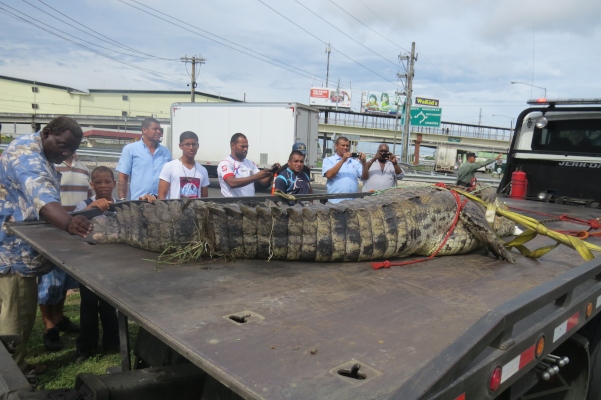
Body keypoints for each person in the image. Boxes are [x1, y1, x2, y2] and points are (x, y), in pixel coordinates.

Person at [0, 116, 92, 380]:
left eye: (71, 150)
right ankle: (13, 376)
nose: (66, 154)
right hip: (12, 252)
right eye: (62, 146)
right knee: (16, 315)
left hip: (12, 247)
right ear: (48, 133)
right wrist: (69, 222)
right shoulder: (28, 158)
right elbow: (42, 196)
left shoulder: (33, 148)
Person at [38, 152, 92, 352]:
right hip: (54, 227)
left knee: (66, 280)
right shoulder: (51, 166)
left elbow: (86, 198)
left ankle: (59, 318)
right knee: (49, 281)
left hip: (75, 230)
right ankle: (49, 326)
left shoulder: (83, 167)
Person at [72, 166, 119, 362]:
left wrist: (147, 199)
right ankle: (86, 346)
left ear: (114, 184)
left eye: (107, 182)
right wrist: (92, 208)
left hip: (111, 263)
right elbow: (73, 220)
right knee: (89, 305)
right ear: (92, 185)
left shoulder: (119, 205)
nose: (103, 186)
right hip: (89, 264)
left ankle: (113, 342)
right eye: (98, 182)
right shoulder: (85, 204)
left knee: (110, 304)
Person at [116, 117, 171, 202]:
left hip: (160, 202)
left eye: (160, 130)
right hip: (138, 202)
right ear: (144, 130)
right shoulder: (130, 149)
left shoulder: (165, 151)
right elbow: (123, 177)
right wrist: (122, 200)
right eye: (155, 129)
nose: (159, 132)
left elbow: (170, 177)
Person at [217, 133, 275, 197]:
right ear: (233, 145)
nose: (245, 149)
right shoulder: (226, 163)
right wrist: (256, 177)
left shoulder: (250, 163)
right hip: (232, 205)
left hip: (248, 204)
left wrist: (272, 172)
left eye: (247, 146)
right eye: (242, 146)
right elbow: (232, 183)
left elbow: (264, 182)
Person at [158, 131, 210, 199]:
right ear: (180, 146)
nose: (191, 147)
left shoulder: (202, 170)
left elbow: (205, 199)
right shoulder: (170, 166)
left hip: (196, 209)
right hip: (176, 209)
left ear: (198, 146)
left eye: (194, 144)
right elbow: (162, 195)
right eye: (187, 144)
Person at [322, 136, 366, 203]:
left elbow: (364, 177)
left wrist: (364, 162)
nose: (345, 148)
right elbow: (329, 175)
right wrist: (343, 160)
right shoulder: (328, 160)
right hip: (335, 202)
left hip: (352, 203)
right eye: (343, 145)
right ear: (336, 146)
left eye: (347, 146)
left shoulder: (355, 162)